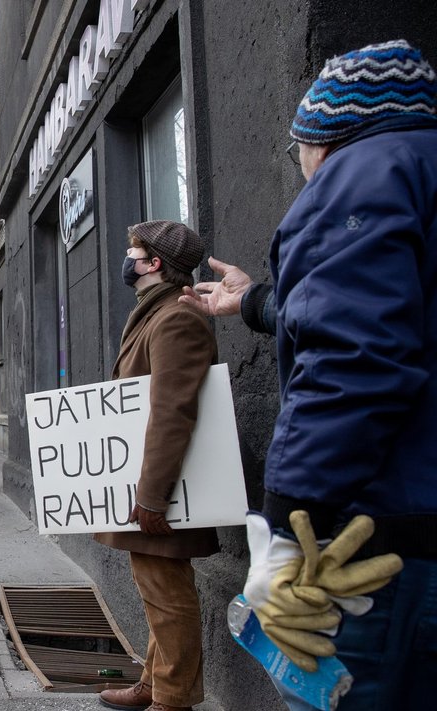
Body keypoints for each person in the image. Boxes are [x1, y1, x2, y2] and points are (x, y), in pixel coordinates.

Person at [181, 40, 437, 710]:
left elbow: (353, 359)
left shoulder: (361, 173)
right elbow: (394, 316)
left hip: (375, 550)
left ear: (322, 138)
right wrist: (258, 301)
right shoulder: (420, 173)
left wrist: (288, 526)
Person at [95, 221, 217, 711]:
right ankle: (155, 682)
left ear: (155, 264)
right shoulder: (157, 313)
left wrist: (151, 495)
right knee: (157, 590)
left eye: (134, 251)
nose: (128, 258)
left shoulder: (175, 318)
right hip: (154, 484)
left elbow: (173, 411)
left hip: (163, 489)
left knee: (168, 595)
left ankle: (173, 698)